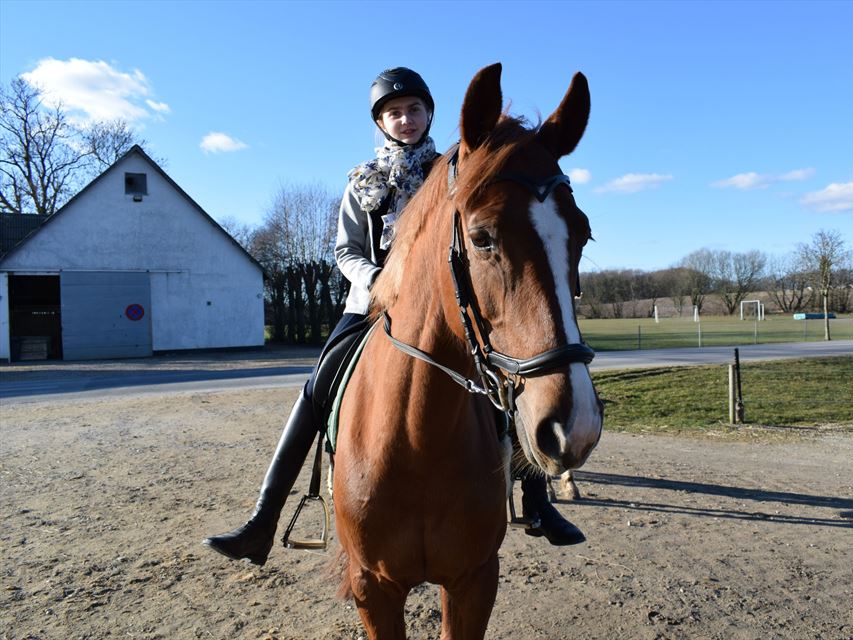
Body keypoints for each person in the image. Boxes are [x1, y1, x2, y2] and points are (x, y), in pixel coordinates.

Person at [202, 67, 582, 567]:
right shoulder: (363, 181)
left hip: (442, 307)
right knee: (318, 385)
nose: (406, 120)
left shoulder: (456, 171)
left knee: (500, 382)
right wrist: (381, 281)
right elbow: (345, 250)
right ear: (380, 123)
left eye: (414, 110)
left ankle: (536, 502)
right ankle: (263, 517)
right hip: (371, 303)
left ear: (429, 115)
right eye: (394, 113)